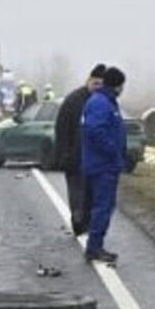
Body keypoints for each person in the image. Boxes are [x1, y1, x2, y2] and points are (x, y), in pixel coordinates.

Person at [81, 66, 127, 263]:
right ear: (116, 85)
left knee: (103, 206)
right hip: (102, 165)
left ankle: (96, 244)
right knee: (103, 206)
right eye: (122, 85)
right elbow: (95, 131)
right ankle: (94, 247)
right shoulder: (101, 103)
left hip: (105, 163)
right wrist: (113, 151)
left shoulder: (106, 101)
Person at [54, 64, 106, 236]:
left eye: (101, 85)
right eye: (95, 84)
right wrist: (63, 153)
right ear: (89, 81)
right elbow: (61, 128)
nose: (98, 88)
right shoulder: (73, 100)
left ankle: (87, 221)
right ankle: (78, 220)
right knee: (76, 191)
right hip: (75, 156)